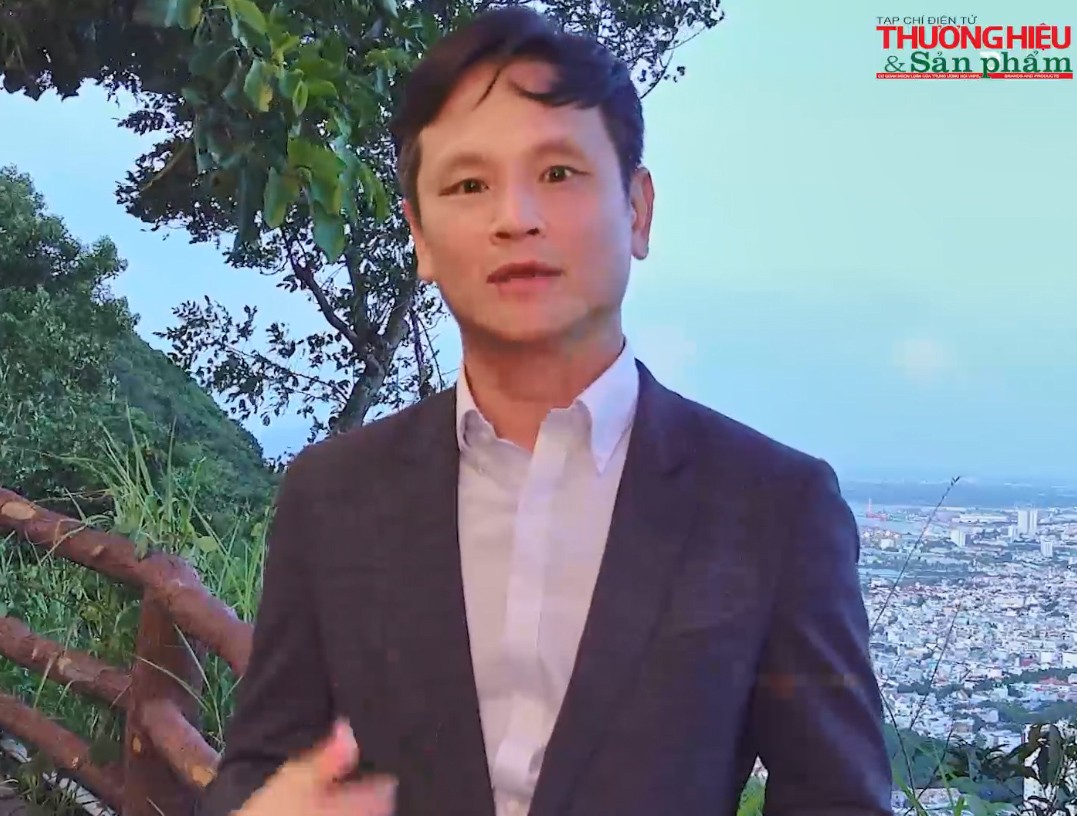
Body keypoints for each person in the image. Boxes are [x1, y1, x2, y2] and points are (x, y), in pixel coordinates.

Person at [194, 6, 894, 816]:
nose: (515, 217)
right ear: (420, 237)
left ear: (637, 210)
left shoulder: (771, 506)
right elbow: (259, 767)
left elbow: (837, 799)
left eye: (558, 173)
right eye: (468, 185)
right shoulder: (333, 494)